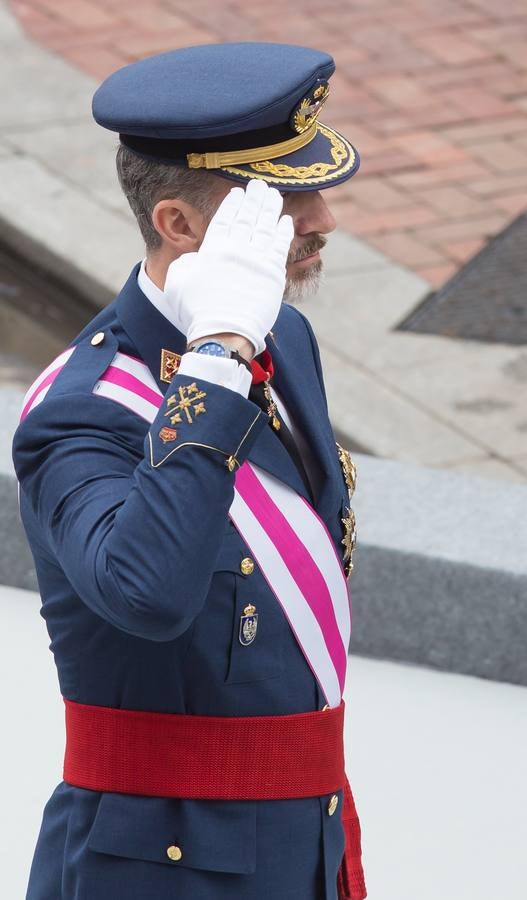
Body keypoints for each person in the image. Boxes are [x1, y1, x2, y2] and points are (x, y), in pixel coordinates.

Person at [13, 41, 366, 900]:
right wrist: (213, 359)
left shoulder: (282, 334)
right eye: (285, 200)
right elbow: (148, 592)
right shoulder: (82, 411)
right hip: (163, 865)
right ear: (179, 226)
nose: (320, 218)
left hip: (297, 837)